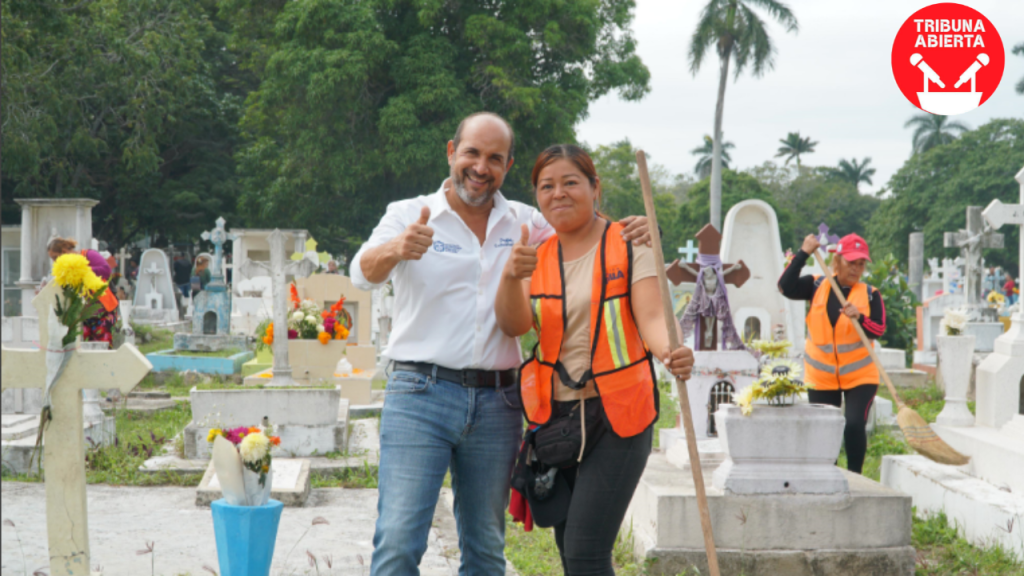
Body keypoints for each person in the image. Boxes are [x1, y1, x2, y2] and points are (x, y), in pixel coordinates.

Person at [350, 112, 651, 576]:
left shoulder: (526, 222)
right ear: (451, 152)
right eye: (471, 153)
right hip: (420, 395)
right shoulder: (410, 214)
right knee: (399, 541)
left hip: (498, 401)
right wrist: (397, 248)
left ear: (508, 166)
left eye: (494, 158)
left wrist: (637, 231)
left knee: (486, 549)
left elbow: (582, 225)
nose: (480, 167)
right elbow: (361, 273)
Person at [494, 145, 694, 576]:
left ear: (594, 187)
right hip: (556, 419)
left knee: (586, 549)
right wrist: (511, 276)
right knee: (569, 548)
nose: (558, 193)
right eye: (546, 186)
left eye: (570, 182)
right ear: (537, 196)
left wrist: (670, 350)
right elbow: (514, 324)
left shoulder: (630, 242)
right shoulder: (536, 256)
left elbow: (652, 316)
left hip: (620, 415)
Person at [778, 233, 886, 475]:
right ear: (837, 261)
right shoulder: (816, 286)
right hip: (821, 375)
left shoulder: (871, 294)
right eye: (851, 262)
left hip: (860, 375)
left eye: (861, 264)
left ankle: (855, 478)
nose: (856, 269)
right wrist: (803, 253)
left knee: (854, 425)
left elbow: (879, 329)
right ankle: (829, 477)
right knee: (825, 430)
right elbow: (785, 286)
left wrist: (860, 317)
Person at [47, 237, 119, 347]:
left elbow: (106, 271)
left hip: (103, 311)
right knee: (86, 349)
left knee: (103, 348)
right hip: (83, 314)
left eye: (55, 257)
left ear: (64, 251)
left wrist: (82, 270)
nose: (55, 262)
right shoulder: (66, 270)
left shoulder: (88, 255)